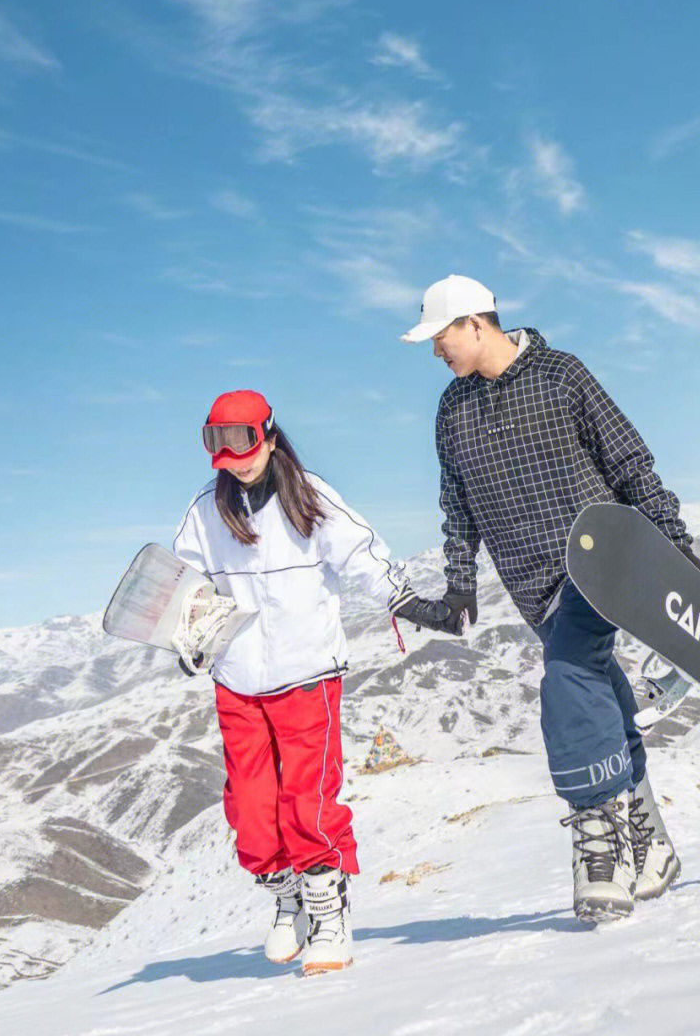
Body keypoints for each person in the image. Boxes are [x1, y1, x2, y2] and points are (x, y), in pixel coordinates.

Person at [401, 275, 699, 923]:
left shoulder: (562, 374)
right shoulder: (451, 411)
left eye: (441, 336)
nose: (435, 351)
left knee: (567, 674)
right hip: (530, 583)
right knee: (595, 680)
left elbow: (629, 465)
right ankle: (650, 843)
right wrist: (458, 585)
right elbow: (458, 508)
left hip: (600, 558)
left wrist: (677, 551)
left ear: (476, 323)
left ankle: (600, 839)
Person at [171, 388, 458, 975]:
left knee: (308, 799)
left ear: (270, 436)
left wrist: (403, 600)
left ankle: (327, 910)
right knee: (252, 812)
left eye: (243, 442)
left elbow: (359, 552)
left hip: (306, 673)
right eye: (219, 445)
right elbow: (187, 583)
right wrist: (187, 635)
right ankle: (287, 901)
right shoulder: (207, 510)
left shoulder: (308, 495)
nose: (233, 457)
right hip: (238, 679)